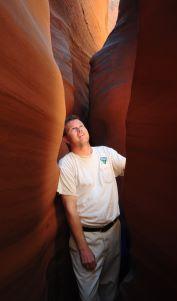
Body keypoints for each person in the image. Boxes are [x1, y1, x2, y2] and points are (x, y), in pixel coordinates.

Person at [57, 114, 126, 301]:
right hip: (88, 238)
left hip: (114, 231)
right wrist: (83, 248)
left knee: (110, 285)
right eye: (73, 129)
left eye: (81, 126)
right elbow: (70, 209)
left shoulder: (106, 153)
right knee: (89, 295)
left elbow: (132, 168)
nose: (80, 130)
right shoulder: (67, 165)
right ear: (66, 139)